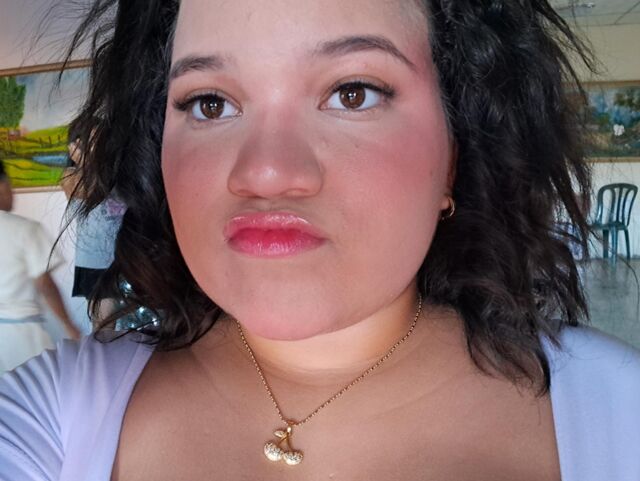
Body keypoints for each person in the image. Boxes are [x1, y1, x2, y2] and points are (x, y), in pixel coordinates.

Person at [1, 0, 639, 480]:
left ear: (454, 153)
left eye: (352, 93)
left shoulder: (618, 409)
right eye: (210, 103)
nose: (265, 173)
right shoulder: (53, 412)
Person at [0, 162, 80, 374]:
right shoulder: (25, 230)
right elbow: (45, 284)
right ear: (2, 186)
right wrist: (69, 325)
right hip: (22, 334)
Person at [60, 129, 126, 327]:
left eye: (100, 139)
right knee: (104, 327)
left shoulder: (121, 171)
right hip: (96, 263)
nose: (96, 145)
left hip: (128, 258)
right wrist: (87, 163)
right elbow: (89, 191)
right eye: (89, 140)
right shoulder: (70, 175)